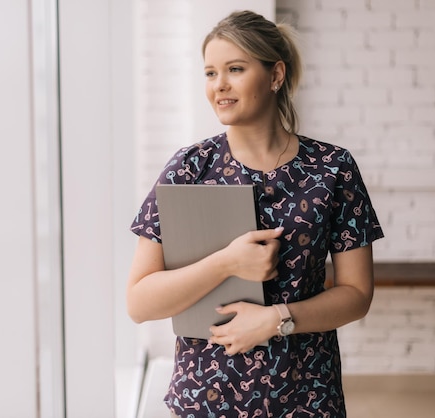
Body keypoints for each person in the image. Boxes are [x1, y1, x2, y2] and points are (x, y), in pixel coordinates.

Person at [127, 10, 384, 418]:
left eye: (235, 69)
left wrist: (277, 319)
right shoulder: (189, 168)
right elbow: (140, 302)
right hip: (206, 398)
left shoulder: (333, 168)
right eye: (210, 73)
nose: (219, 85)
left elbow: (357, 296)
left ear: (275, 75)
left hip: (307, 396)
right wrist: (227, 262)